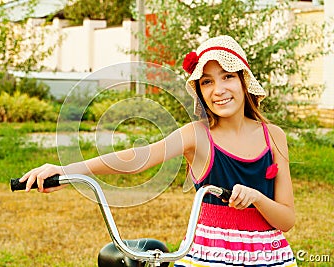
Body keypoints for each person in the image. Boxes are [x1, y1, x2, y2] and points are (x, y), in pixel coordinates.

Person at [19, 35, 297, 266]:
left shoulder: (273, 136)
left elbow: (286, 219)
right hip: (210, 257)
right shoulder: (198, 136)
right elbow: (137, 158)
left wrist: (257, 198)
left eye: (227, 77)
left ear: (243, 81)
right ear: (200, 91)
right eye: (207, 82)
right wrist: (66, 171)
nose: (219, 89)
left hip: (269, 256)